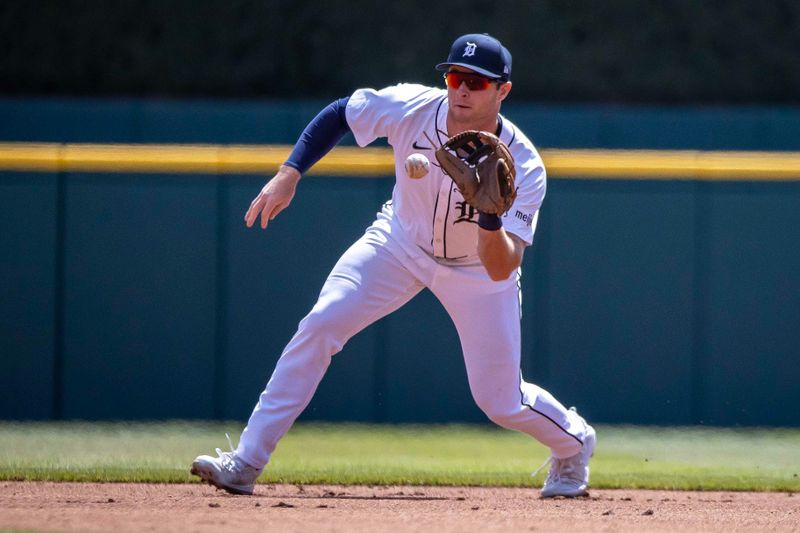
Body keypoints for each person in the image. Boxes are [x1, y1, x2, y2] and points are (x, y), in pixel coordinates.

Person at [191, 33, 596, 498]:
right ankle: (245, 463)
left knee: (500, 401)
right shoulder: (411, 107)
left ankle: (574, 443)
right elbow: (342, 112)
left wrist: (488, 214)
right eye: (455, 76)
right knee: (321, 324)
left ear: (503, 90)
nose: (461, 89)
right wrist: (290, 172)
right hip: (399, 242)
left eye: (477, 83)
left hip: (476, 270)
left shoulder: (524, 164)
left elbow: (502, 267)